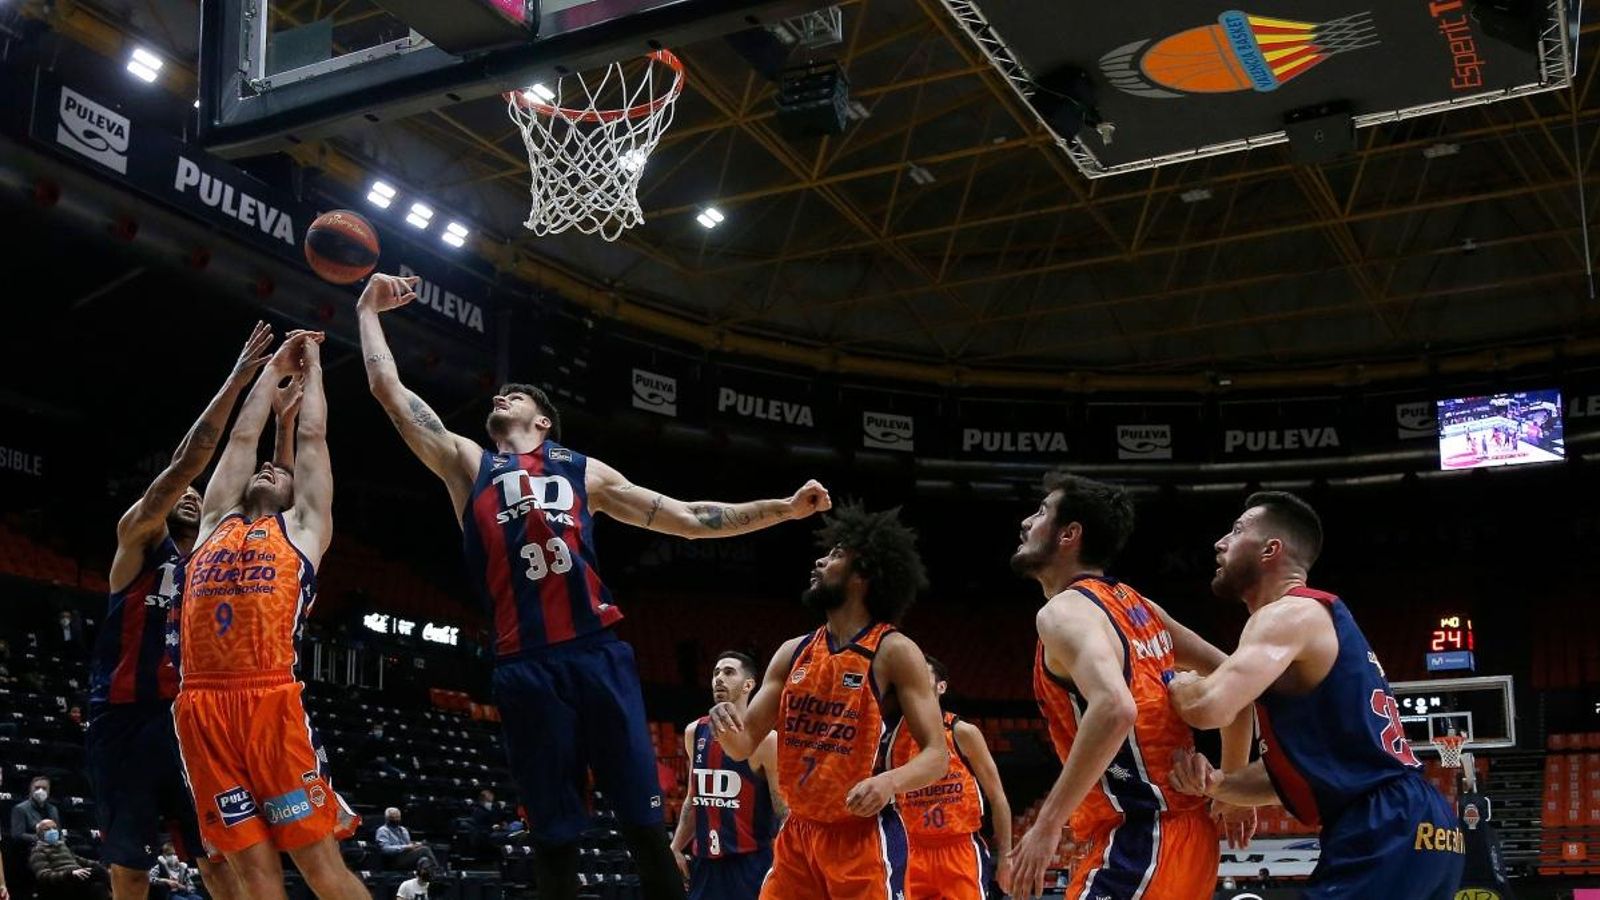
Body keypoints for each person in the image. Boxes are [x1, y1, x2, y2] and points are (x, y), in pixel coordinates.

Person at [357, 272, 832, 900]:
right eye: (499, 394)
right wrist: (367, 309)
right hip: (524, 662)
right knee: (553, 834)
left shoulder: (585, 473)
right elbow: (390, 392)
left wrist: (785, 508)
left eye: (516, 396)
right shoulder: (468, 463)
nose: (502, 398)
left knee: (641, 820)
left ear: (544, 421)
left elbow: (691, 519)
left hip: (596, 651)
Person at [1167, 491, 1465, 900]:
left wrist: (1176, 681)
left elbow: (1209, 707)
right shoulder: (1315, 618)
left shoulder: (1287, 614)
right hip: (1424, 828)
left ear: (1271, 550)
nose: (1220, 542)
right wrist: (1220, 785)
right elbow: (1290, 777)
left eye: (1236, 531)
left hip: (1384, 824)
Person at [172, 331, 365, 900]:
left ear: (293, 492)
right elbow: (239, 437)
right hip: (200, 706)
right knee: (252, 875)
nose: (266, 469)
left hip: (269, 703)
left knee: (318, 866)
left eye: (278, 473)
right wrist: (270, 371)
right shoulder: (213, 524)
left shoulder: (303, 531)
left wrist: (315, 369)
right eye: (264, 468)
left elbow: (312, 434)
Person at [88, 324, 272, 900]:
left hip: (196, 719)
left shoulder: (217, 562)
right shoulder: (139, 538)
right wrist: (240, 377)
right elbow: (189, 464)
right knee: (131, 870)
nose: (192, 495)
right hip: (128, 718)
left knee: (220, 861)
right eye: (179, 492)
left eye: (198, 494)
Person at [1008, 472, 1254, 900]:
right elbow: (1239, 677)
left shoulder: (1063, 612)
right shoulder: (1137, 605)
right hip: (1185, 835)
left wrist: (1045, 826)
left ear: (1070, 534)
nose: (1027, 522)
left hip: (1141, 838)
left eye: (1042, 511)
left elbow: (1115, 708)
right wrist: (1231, 785)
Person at [709, 505, 947, 900]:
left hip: (860, 836)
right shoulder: (792, 652)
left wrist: (889, 782)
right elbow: (743, 744)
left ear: (864, 574)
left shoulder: (893, 651)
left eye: (836, 554)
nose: (820, 559)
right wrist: (724, 724)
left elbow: (937, 756)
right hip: (799, 834)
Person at [886, 656, 1012, 900]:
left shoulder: (962, 732)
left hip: (960, 849)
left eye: (923, 674)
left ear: (941, 687)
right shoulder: (893, 739)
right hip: (912, 849)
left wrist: (1006, 857)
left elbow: (997, 796)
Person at [671, 652, 783, 899]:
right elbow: (694, 798)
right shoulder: (694, 732)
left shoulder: (767, 741)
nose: (719, 678)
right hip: (704, 864)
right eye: (716, 673)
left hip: (749, 864)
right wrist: (676, 846)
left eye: (729, 672)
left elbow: (782, 810)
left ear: (749, 685)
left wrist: (787, 862)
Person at [28, 820, 109, 900]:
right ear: (39, 833)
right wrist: (70, 874)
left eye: (54, 828)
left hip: (77, 875)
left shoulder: (62, 845)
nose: (52, 831)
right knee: (99, 872)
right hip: (64, 880)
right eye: (47, 829)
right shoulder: (38, 851)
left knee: (99, 881)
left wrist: (99, 864)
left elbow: (78, 859)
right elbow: (43, 875)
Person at [10, 777, 60, 842]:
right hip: (30, 848)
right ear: (31, 789)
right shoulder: (20, 809)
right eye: (37, 788)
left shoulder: (53, 809)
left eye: (44, 788)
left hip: (52, 848)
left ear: (49, 791)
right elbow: (17, 835)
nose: (40, 791)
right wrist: (41, 839)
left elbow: (59, 832)